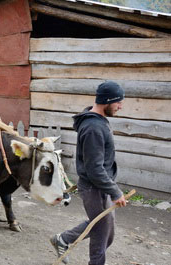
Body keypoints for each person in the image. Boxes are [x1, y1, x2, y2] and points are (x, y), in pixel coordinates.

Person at [51, 81, 127, 265]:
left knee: (107, 233)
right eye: (118, 101)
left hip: (101, 186)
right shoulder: (93, 128)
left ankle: (64, 239)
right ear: (106, 101)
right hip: (95, 188)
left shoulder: (98, 121)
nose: (120, 106)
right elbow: (94, 169)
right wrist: (115, 191)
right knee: (101, 235)